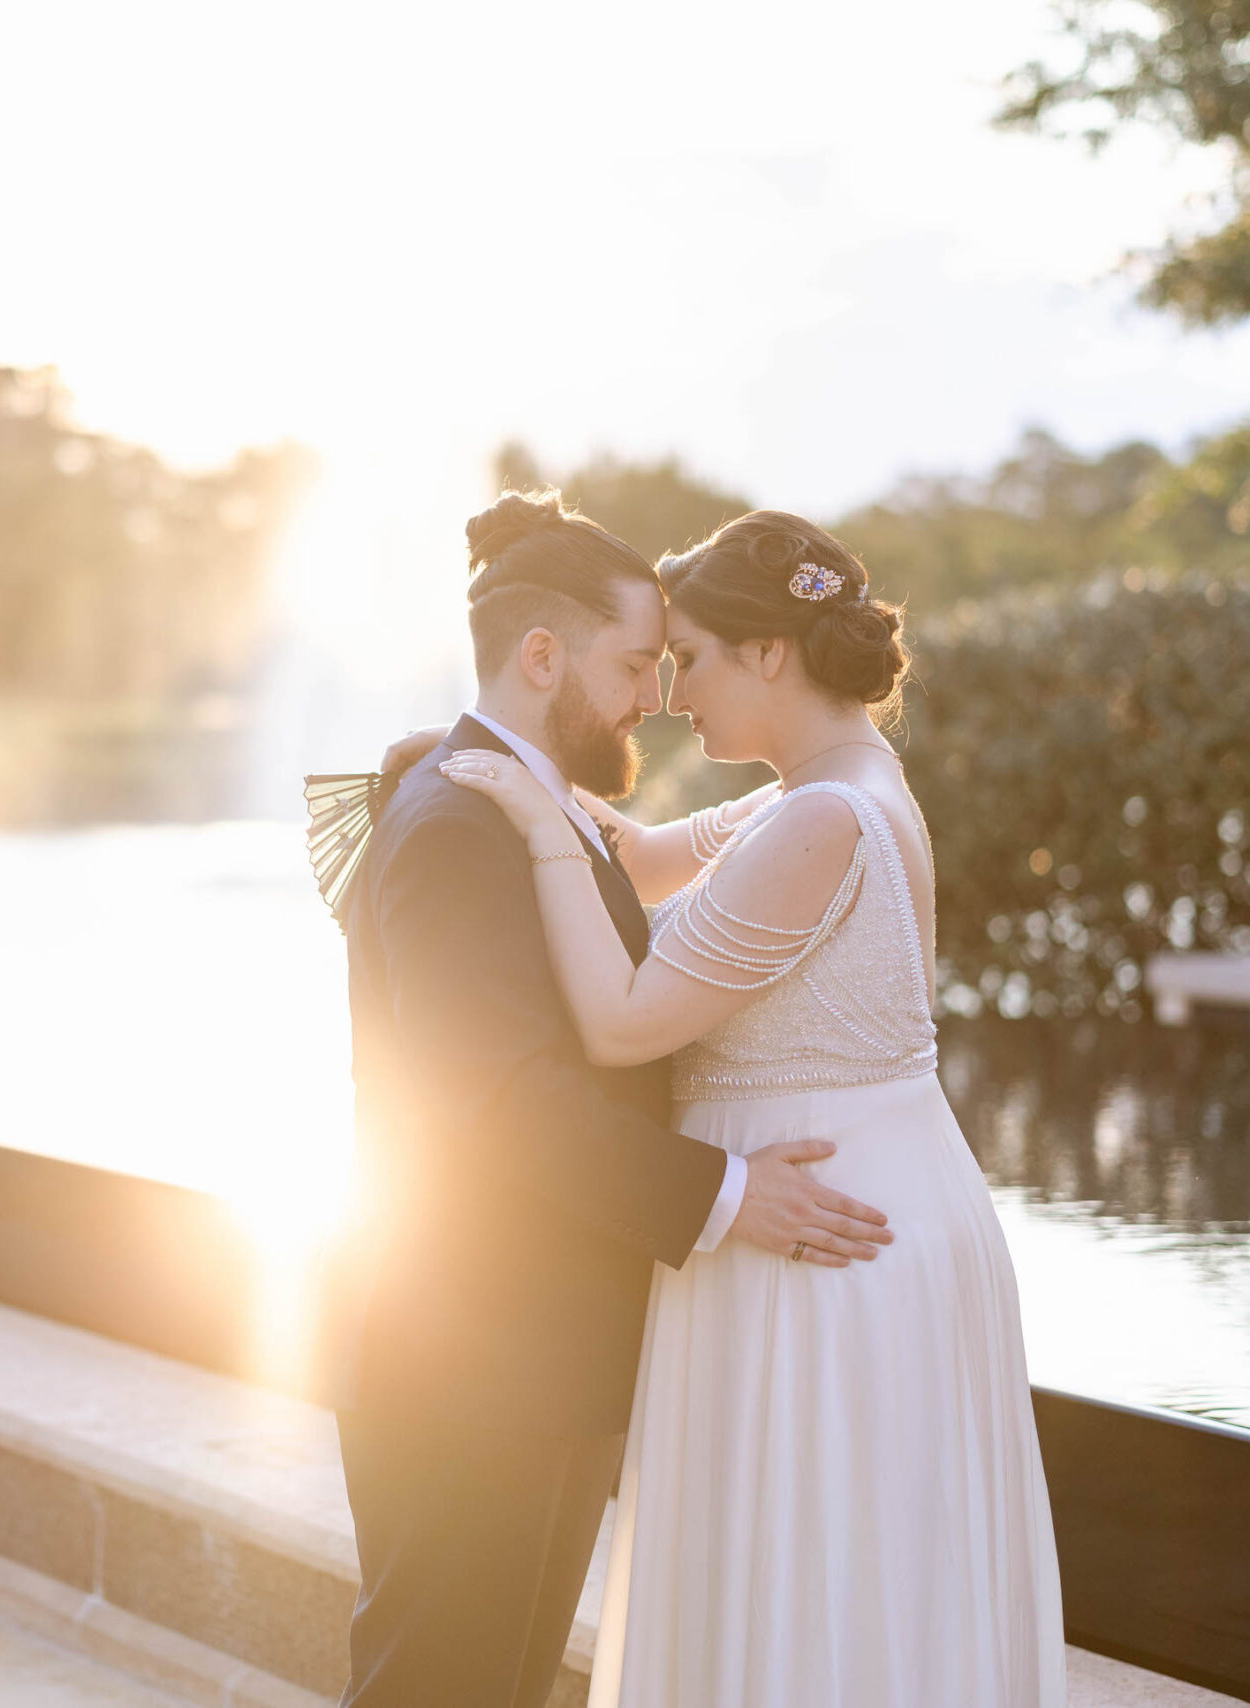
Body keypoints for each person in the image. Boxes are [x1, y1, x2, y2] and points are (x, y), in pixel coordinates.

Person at [438, 505, 1065, 1707]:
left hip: (821, 1244)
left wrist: (528, 823)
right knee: (837, 1577)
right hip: (844, 1206)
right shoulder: (828, 789)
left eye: (693, 660)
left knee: (818, 1578)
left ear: (768, 654)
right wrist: (495, 755)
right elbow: (634, 853)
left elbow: (622, 1018)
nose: (673, 696)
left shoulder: (822, 818)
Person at [322, 491, 898, 1708]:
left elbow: (636, 869)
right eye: (637, 663)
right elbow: (496, 1101)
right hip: (466, 1355)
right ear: (543, 657)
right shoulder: (450, 828)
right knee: (437, 1686)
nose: (656, 695)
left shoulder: (521, 805)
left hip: (537, 1352)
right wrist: (730, 1195)